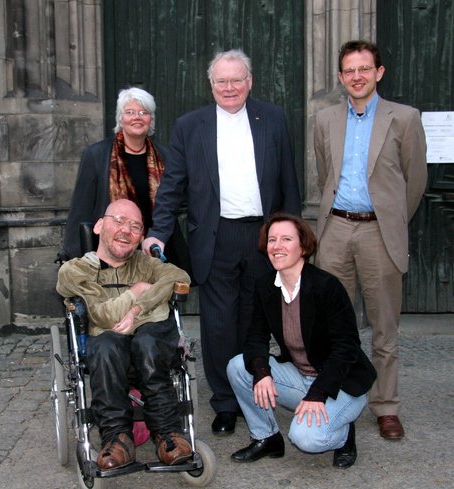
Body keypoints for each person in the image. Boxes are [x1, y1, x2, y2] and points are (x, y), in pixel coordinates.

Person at [142, 49, 302, 436]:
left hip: (263, 234)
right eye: (221, 81)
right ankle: (225, 402)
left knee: (257, 318)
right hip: (215, 236)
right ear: (211, 85)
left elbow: (289, 182)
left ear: (249, 82)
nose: (229, 87)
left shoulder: (274, 119)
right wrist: (158, 232)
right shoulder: (189, 126)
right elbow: (172, 188)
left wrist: (293, 234)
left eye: (236, 80)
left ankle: (255, 395)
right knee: (217, 325)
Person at [314, 40, 427, 440]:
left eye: (364, 69)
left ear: (378, 72)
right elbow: (325, 173)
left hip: (380, 231)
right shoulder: (325, 119)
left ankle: (385, 406)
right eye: (349, 70)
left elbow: (415, 183)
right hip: (336, 231)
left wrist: (391, 221)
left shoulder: (405, 118)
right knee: (332, 324)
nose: (357, 76)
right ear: (341, 77)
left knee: (384, 326)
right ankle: (339, 396)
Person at [227, 212, 376, 469]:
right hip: (300, 378)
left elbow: (347, 347)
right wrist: (262, 372)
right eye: (272, 240)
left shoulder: (326, 287)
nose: (277, 246)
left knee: (306, 438)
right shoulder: (265, 286)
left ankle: (343, 435)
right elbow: (255, 337)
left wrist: (318, 393)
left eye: (286, 239)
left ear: (303, 247)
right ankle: (267, 437)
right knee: (239, 367)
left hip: (341, 384)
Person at [56, 199, 192, 469]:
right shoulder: (75, 271)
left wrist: (138, 307)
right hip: (108, 354)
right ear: (98, 226)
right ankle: (117, 439)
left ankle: (168, 432)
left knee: (149, 339)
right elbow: (101, 316)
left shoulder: (146, 265)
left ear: (140, 236)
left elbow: (179, 277)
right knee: (105, 343)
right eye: (118, 221)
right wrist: (136, 290)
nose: (126, 230)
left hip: (150, 349)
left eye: (135, 226)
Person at [61, 87, 190, 274]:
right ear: (120, 118)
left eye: (143, 112)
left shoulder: (166, 157)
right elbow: (81, 209)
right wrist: (73, 256)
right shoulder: (97, 155)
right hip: (113, 252)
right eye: (130, 112)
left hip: (155, 250)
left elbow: (178, 202)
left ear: (151, 120)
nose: (137, 117)